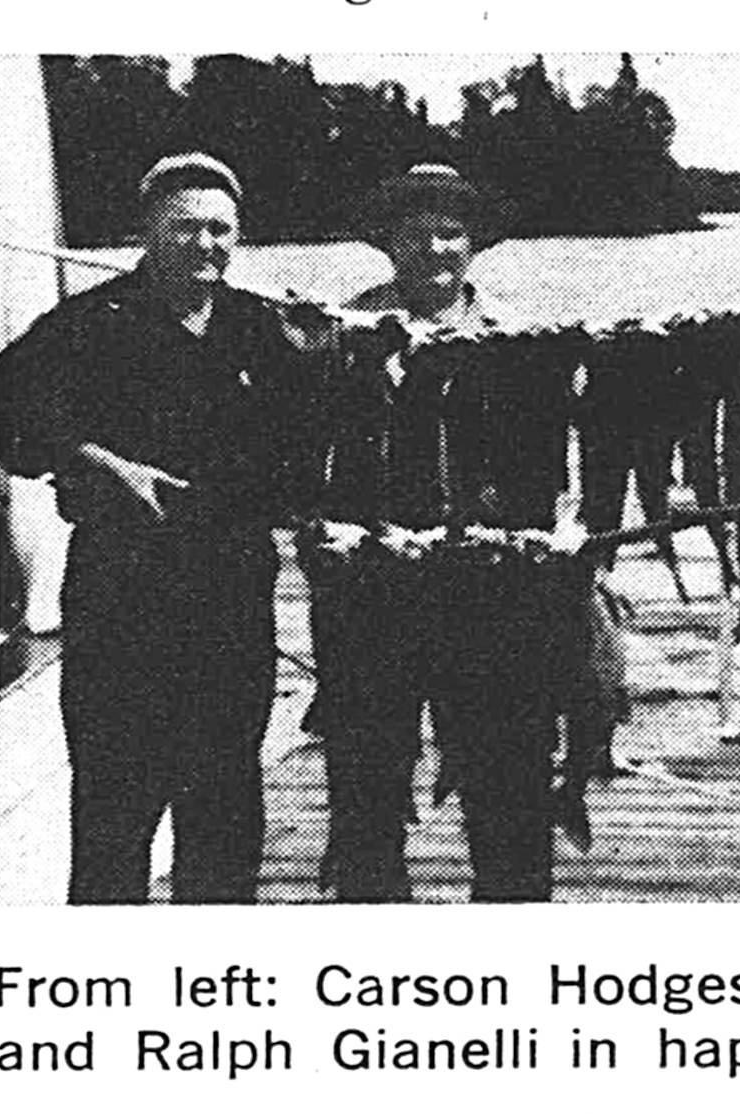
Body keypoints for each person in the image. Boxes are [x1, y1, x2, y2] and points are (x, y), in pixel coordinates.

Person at [0, 153, 315, 903]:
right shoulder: (88, 323)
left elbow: (309, 450)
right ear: (147, 232)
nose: (205, 245)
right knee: (114, 814)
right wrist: (103, 463)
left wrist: (326, 357)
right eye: (185, 228)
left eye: (220, 230)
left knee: (225, 809)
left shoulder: (262, 327)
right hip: (121, 597)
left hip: (231, 598)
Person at [301, 163, 614, 902]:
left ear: (474, 244)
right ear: (387, 244)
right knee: (367, 808)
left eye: (450, 234)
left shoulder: (522, 339)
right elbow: (302, 456)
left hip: (494, 597)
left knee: (510, 806)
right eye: (415, 235)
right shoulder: (337, 336)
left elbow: (560, 461)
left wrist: (568, 542)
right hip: (371, 595)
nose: (435, 250)